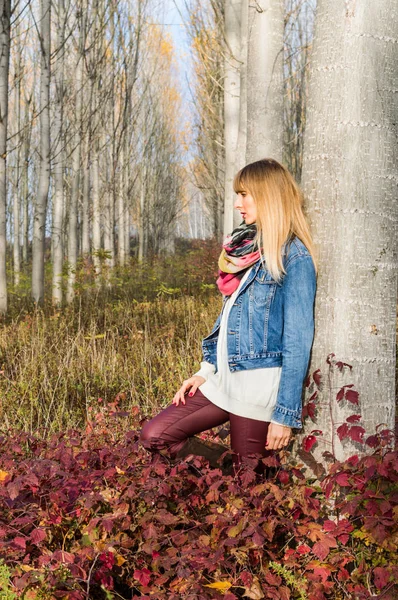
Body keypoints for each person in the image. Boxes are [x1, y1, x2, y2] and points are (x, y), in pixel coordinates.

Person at [140, 158, 317, 475]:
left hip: (257, 388)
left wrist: (284, 415)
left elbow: (298, 342)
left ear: (269, 196)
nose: (238, 204)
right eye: (238, 195)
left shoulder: (294, 256)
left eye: (245, 195)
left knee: (248, 496)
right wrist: (205, 371)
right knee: (155, 436)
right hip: (224, 382)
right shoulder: (248, 251)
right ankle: (225, 472)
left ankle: (246, 477)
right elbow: (230, 325)